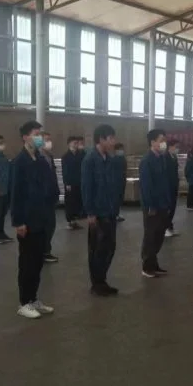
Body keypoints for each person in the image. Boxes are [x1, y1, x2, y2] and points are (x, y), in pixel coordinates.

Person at [11, 121, 60, 316]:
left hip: (43, 217)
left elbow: (50, 185)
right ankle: (24, 302)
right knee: (27, 262)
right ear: (25, 137)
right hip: (27, 220)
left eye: (40, 133)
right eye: (35, 134)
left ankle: (33, 298)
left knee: (38, 261)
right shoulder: (19, 162)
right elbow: (16, 194)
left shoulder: (40, 160)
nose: (39, 137)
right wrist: (18, 221)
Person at [82, 125, 120, 293]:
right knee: (98, 248)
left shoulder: (109, 160)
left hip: (110, 210)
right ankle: (97, 284)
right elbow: (86, 187)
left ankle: (102, 279)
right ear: (101, 139)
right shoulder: (90, 159)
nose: (113, 142)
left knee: (109, 247)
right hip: (98, 211)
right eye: (111, 138)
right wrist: (90, 212)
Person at [139, 129, 170, 277]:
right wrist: (150, 205)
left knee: (159, 235)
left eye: (164, 140)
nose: (164, 143)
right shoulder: (147, 161)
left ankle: (154, 264)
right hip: (152, 206)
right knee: (150, 236)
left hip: (163, 203)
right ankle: (147, 267)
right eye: (161, 140)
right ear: (152, 142)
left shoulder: (161, 159)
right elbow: (146, 186)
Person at [40, 132, 59, 263]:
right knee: (45, 225)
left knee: (51, 224)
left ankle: (46, 249)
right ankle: (44, 251)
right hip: (42, 197)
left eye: (49, 140)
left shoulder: (49, 156)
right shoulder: (38, 158)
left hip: (51, 195)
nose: (49, 143)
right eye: (46, 140)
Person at [61, 136, 84, 230]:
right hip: (70, 183)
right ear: (69, 144)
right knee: (70, 202)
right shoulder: (66, 156)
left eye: (77, 143)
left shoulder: (80, 154)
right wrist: (67, 183)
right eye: (74, 143)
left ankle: (75, 220)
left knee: (77, 201)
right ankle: (70, 221)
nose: (76, 145)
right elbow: (65, 171)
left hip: (79, 181)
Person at [164, 139, 181, 237]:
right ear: (170, 147)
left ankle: (170, 227)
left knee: (173, 208)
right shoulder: (165, 157)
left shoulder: (174, 157)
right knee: (168, 208)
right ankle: (165, 228)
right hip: (168, 187)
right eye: (176, 147)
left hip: (174, 186)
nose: (177, 149)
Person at [112, 143, 128, 222]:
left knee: (120, 198)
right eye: (120, 149)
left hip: (122, 181)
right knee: (116, 199)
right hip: (116, 182)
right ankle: (114, 214)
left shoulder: (123, 158)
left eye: (122, 149)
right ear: (116, 150)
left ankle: (117, 213)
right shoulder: (113, 160)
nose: (121, 151)